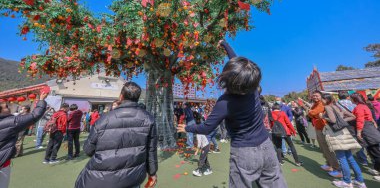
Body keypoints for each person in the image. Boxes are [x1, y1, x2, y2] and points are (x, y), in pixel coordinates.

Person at [178, 40, 287, 188]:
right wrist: (225, 44)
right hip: (266, 146)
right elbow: (240, 66)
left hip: (244, 152)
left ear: (227, 79)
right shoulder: (252, 89)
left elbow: (206, 128)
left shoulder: (224, 103)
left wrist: (187, 128)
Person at [75, 82, 157, 188]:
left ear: (121, 96)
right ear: (138, 98)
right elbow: (151, 150)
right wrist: (152, 173)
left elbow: (88, 149)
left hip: (101, 178)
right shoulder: (148, 119)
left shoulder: (104, 119)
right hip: (132, 177)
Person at [0, 93, 48, 188]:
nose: (9, 107)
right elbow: (35, 115)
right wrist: (41, 99)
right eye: (6, 107)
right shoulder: (11, 121)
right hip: (2, 164)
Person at [321, 94, 366, 188]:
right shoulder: (338, 107)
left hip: (336, 134)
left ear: (326, 99)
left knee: (342, 158)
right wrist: (342, 121)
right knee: (350, 158)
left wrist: (323, 117)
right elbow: (353, 116)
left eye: (322, 99)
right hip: (344, 133)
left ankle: (347, 181)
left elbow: (333, 120)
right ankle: (359, 180)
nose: (321, 101)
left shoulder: (328, 107)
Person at [308, 91, 341, 177]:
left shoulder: (321, 104)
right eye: (313, 96)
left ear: (321, 97)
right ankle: (329, 164)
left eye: (317, 96)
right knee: (323, 148)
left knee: (327, 149)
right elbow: (312, 114)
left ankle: (336, 168)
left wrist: (310, 112)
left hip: (324, 128)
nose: (315, 97)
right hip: (318, 128)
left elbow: (312, 113)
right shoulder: (315, 104)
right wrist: (311, 112)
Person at [351, 93, 380, 177]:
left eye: (351, 99)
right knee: (374, 151)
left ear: (354, 99)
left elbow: (360, 120)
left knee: (375, 153)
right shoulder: (365, 106)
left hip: (367, 131)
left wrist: (359, 132)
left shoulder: (359, 107)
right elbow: (370, 118)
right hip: (371, 130)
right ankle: (377, 169)